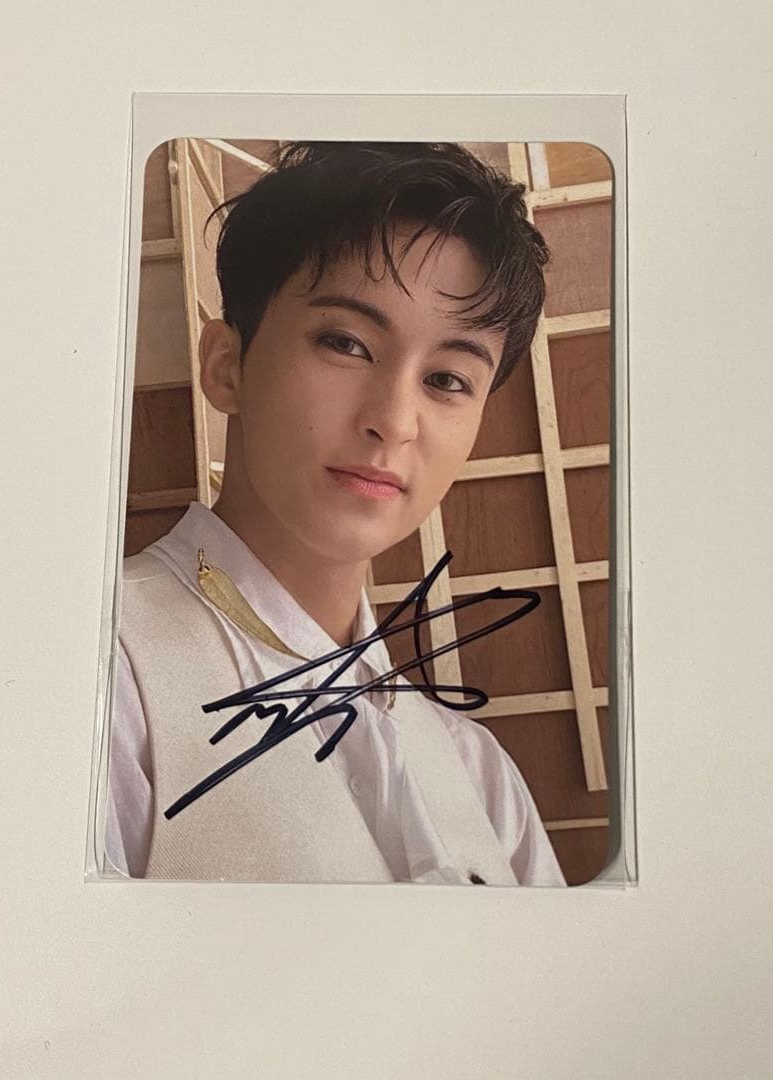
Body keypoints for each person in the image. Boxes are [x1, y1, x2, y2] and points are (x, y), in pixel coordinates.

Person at [106, 141, 566, 886]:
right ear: (227, 365)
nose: (395, 421)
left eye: (448, 379)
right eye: (346, 343)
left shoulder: (482, 777)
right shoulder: (101, 675)